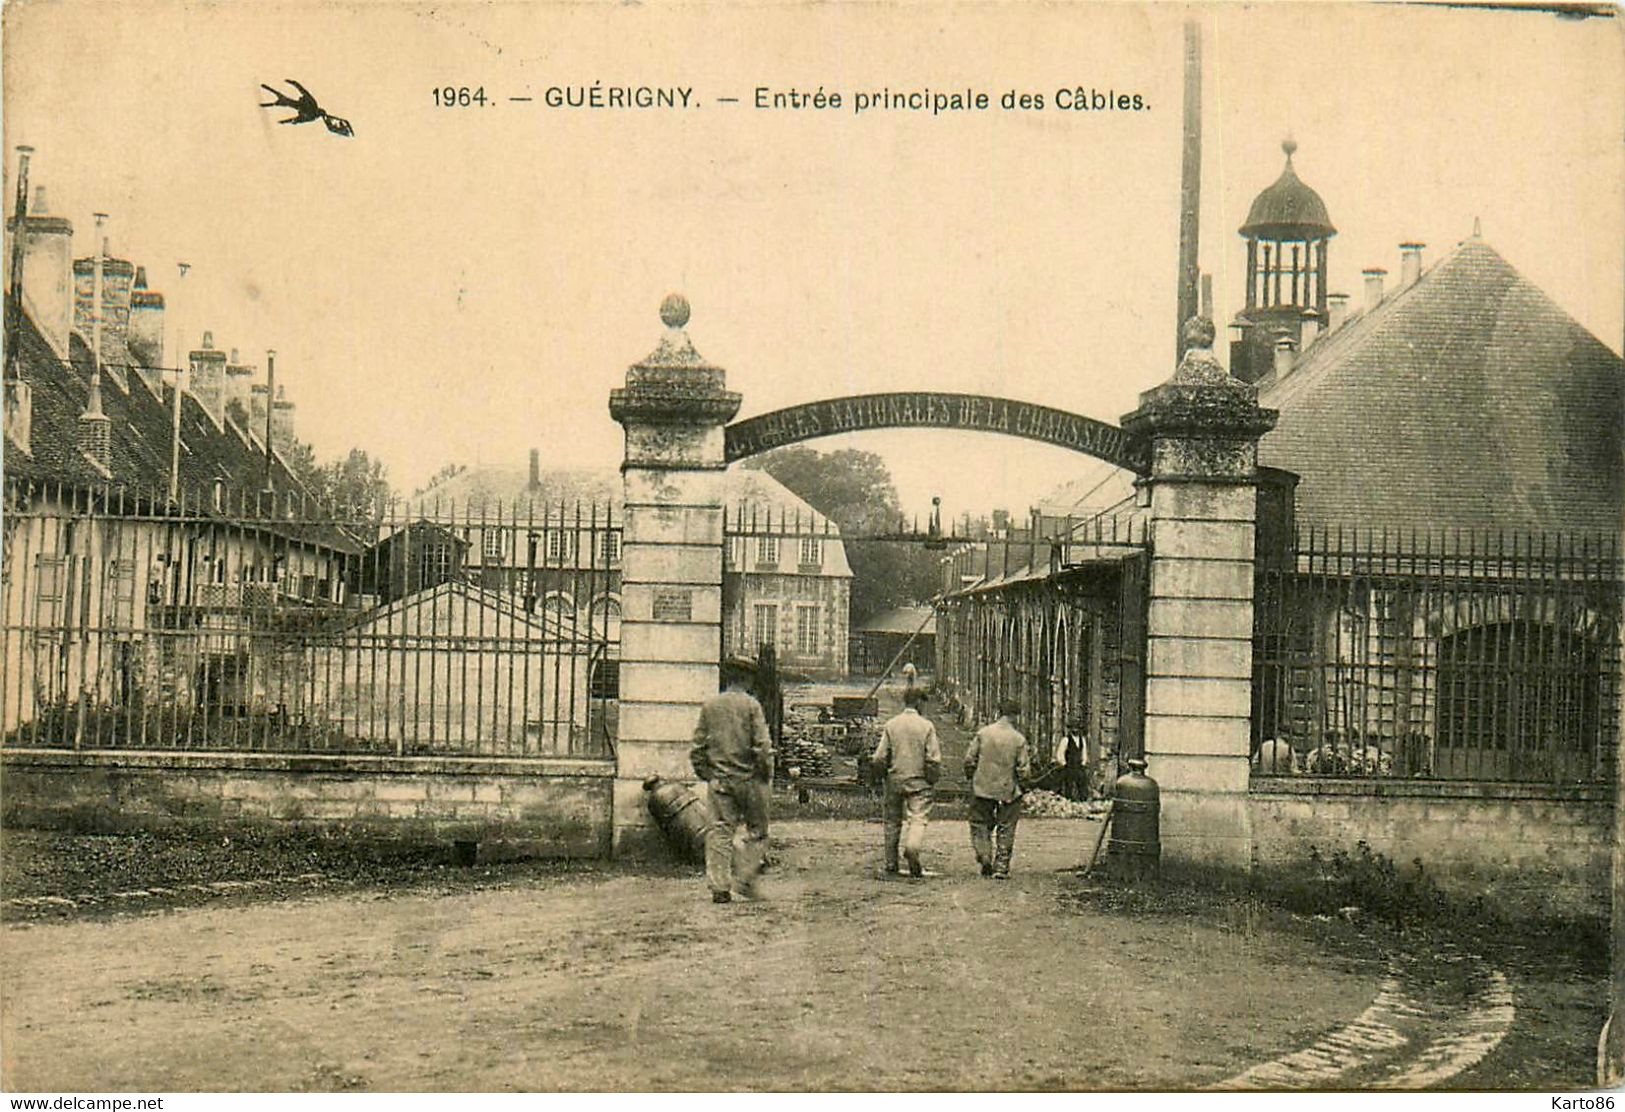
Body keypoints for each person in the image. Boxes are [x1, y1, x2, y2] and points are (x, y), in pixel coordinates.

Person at [689, 669, 774, 904]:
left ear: (727, 679)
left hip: (720, 781)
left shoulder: (710, 706)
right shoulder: (752, 706)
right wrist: (764, 774)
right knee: (758, 832)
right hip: (750, 780)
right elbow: (763, 747)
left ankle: (720, 888)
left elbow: (697, 750)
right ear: (747, 679)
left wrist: (708, 775)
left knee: (719, 833)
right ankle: (745, 879)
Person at [870, 686, 942, 877]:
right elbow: (933, 758)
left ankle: (891, 863)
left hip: (894, 780)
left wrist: (883, 775)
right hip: (919, 782)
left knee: (891, 822)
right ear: (919, 702)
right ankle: (912, 848)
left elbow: (879, 757)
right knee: (917, 819)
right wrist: (931, 779)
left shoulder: (891, 724)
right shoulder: (927, 726)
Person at [965, 698, 1032, 879]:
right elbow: (1024, 769)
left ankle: (984, 855)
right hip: (1008, 789)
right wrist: (1024, 784)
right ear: (1015, 716)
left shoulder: (983, 733)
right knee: (1006, 827)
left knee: (979, 824)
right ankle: (1001, 867)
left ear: (998, 713)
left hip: (982, 787)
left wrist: (972, 776)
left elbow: (969, 759)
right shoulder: (1018, 739)